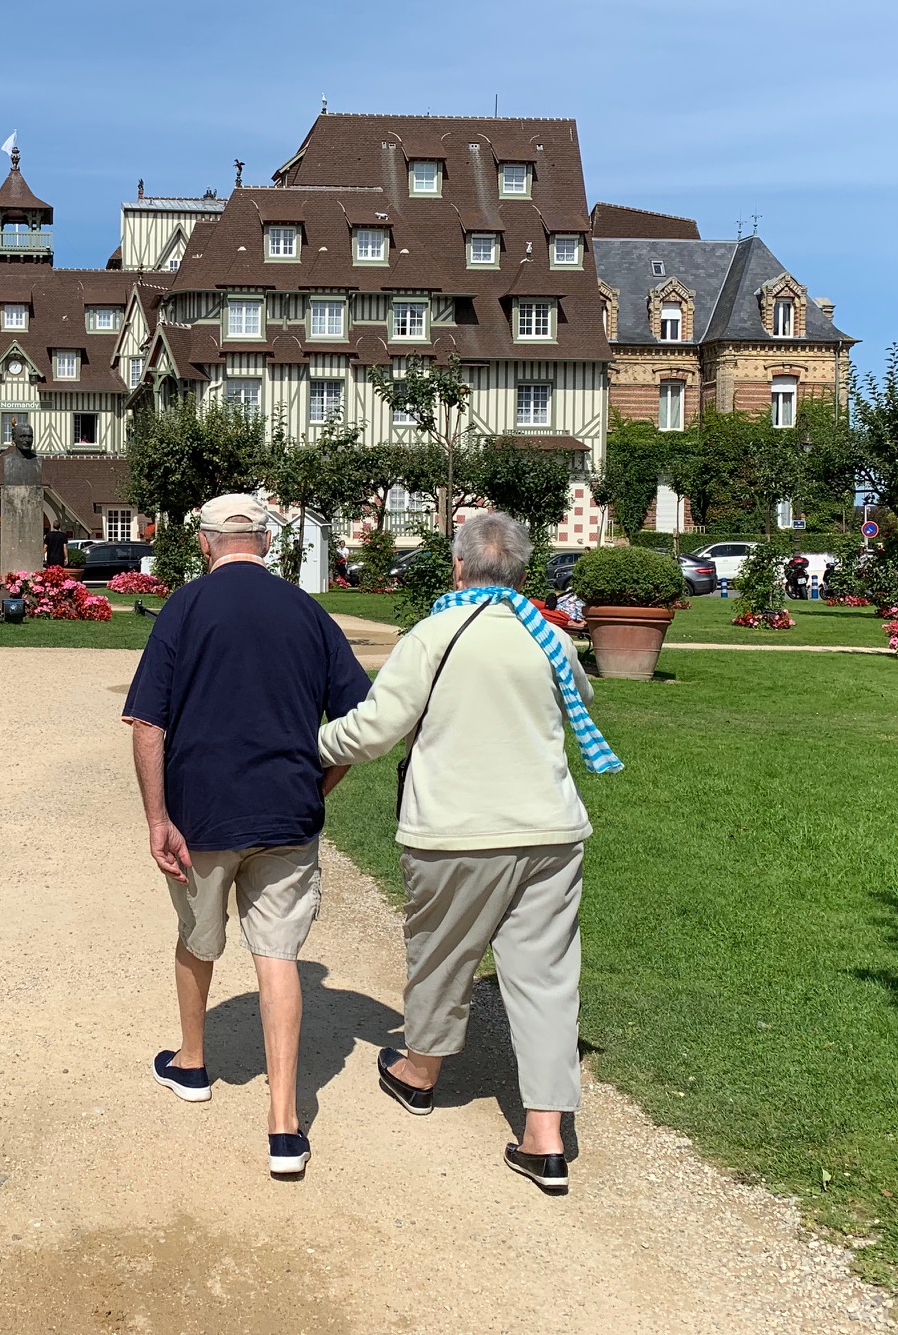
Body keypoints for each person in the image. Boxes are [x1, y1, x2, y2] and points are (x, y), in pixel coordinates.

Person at [317, 510, 622, 1197]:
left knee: (442, 953)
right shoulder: (547, 636)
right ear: (521, 571)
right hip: (549, 831)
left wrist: (310, 748)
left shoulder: (435, 634)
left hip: (456, 831)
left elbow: (374, 730)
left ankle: (420, 1073)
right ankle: (545, 1137)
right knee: (546, 978)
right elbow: (584, 695)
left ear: (459, 567)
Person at [122, 493, 370, 1178]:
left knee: (198, 941)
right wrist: (319, 785)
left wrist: (156, 818)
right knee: (279, 954)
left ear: (206, 543)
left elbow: (148, 723)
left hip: (202, 814)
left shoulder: (186, 607)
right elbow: (360, 721)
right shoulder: (308, 611)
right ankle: (285, 1124)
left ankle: (193, 1063)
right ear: (265, 542)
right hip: (286, 813)